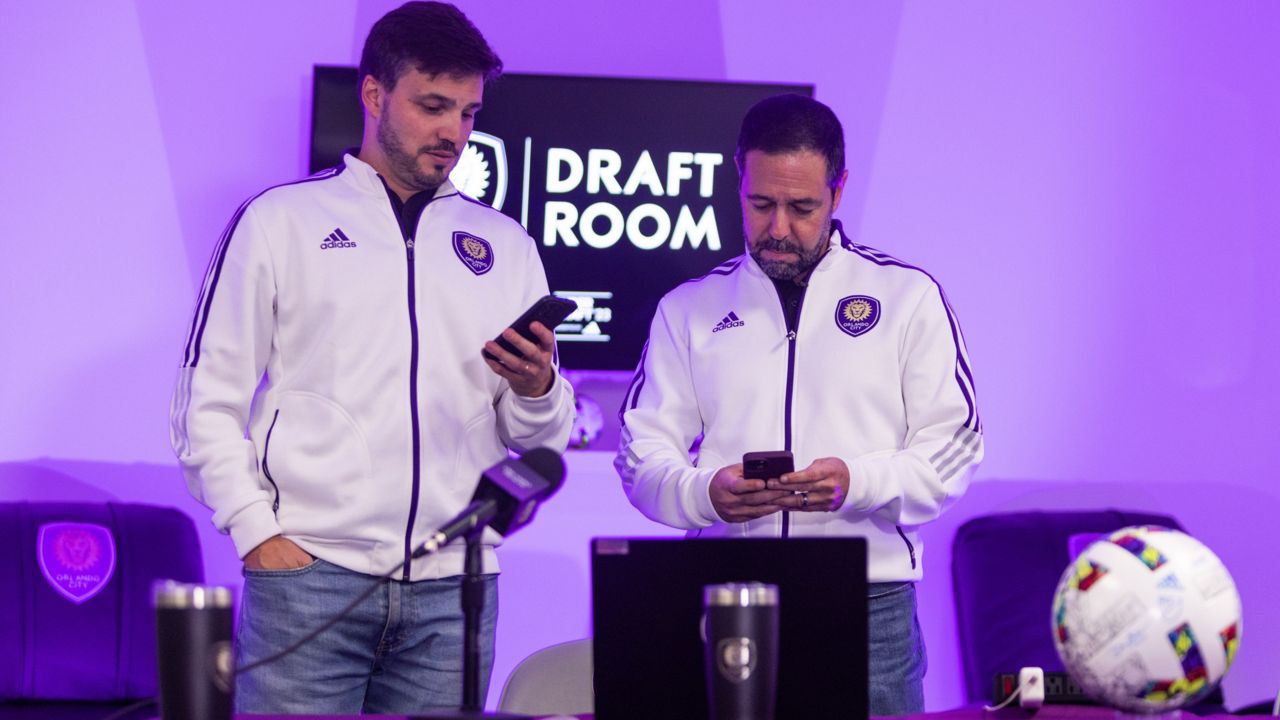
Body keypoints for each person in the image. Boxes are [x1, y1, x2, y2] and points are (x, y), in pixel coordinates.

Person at [168, 2, 574, 714]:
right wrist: (255, 530)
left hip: (457, 591)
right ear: (375, 94)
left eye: (469, 113)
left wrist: (538, 387)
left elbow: (539, 443)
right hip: (309, 576)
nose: (453, 132)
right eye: (433, 106)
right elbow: (205, 402)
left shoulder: (506, 247)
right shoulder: (279, 222)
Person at [615, 94, 983, 715]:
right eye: (761, 204)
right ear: (740, 181)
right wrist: (704, 494)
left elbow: (954, 451)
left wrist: (856, 481)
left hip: (871, 604)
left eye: (801, 207)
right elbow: (639, 455)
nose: (778, 228)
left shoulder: (907, 297)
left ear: (838, 193)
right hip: (725, 593)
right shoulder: (688, 309)